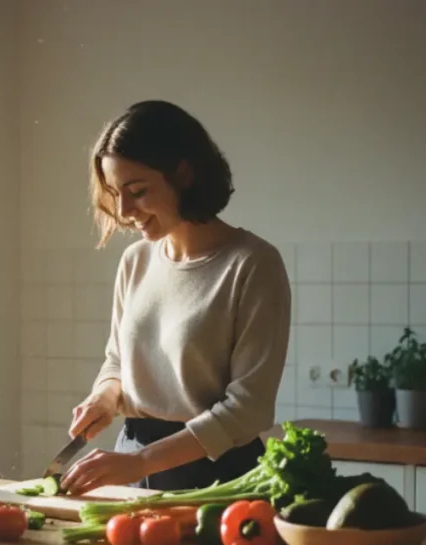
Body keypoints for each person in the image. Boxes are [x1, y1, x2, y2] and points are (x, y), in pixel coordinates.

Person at [59, 100, 292, 496]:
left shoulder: (253, 264)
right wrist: (104, 397)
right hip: (130, 464)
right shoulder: (136, 261)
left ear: (184, 175)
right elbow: (117, 360)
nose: (123, 210)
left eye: (137, 191)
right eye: (115, 193)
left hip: (217, 479)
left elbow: (248, 409)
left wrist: (143, 461)